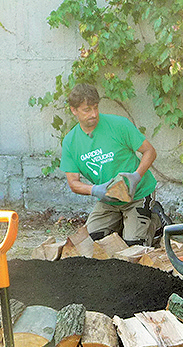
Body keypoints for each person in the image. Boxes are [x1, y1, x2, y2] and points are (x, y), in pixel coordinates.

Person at [60, 83, 160, 245]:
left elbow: (150, 151)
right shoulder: (71, 142)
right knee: (88, 244)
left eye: (95, 107)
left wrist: (136, 176)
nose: (93, 114)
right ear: (74, 110)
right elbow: (73, 183)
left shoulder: (119, 125)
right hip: (109, 200)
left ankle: (156, 221)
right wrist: (95, 190)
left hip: (138, 194)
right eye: (87, 110)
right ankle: (122, 224)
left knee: (134, 247)